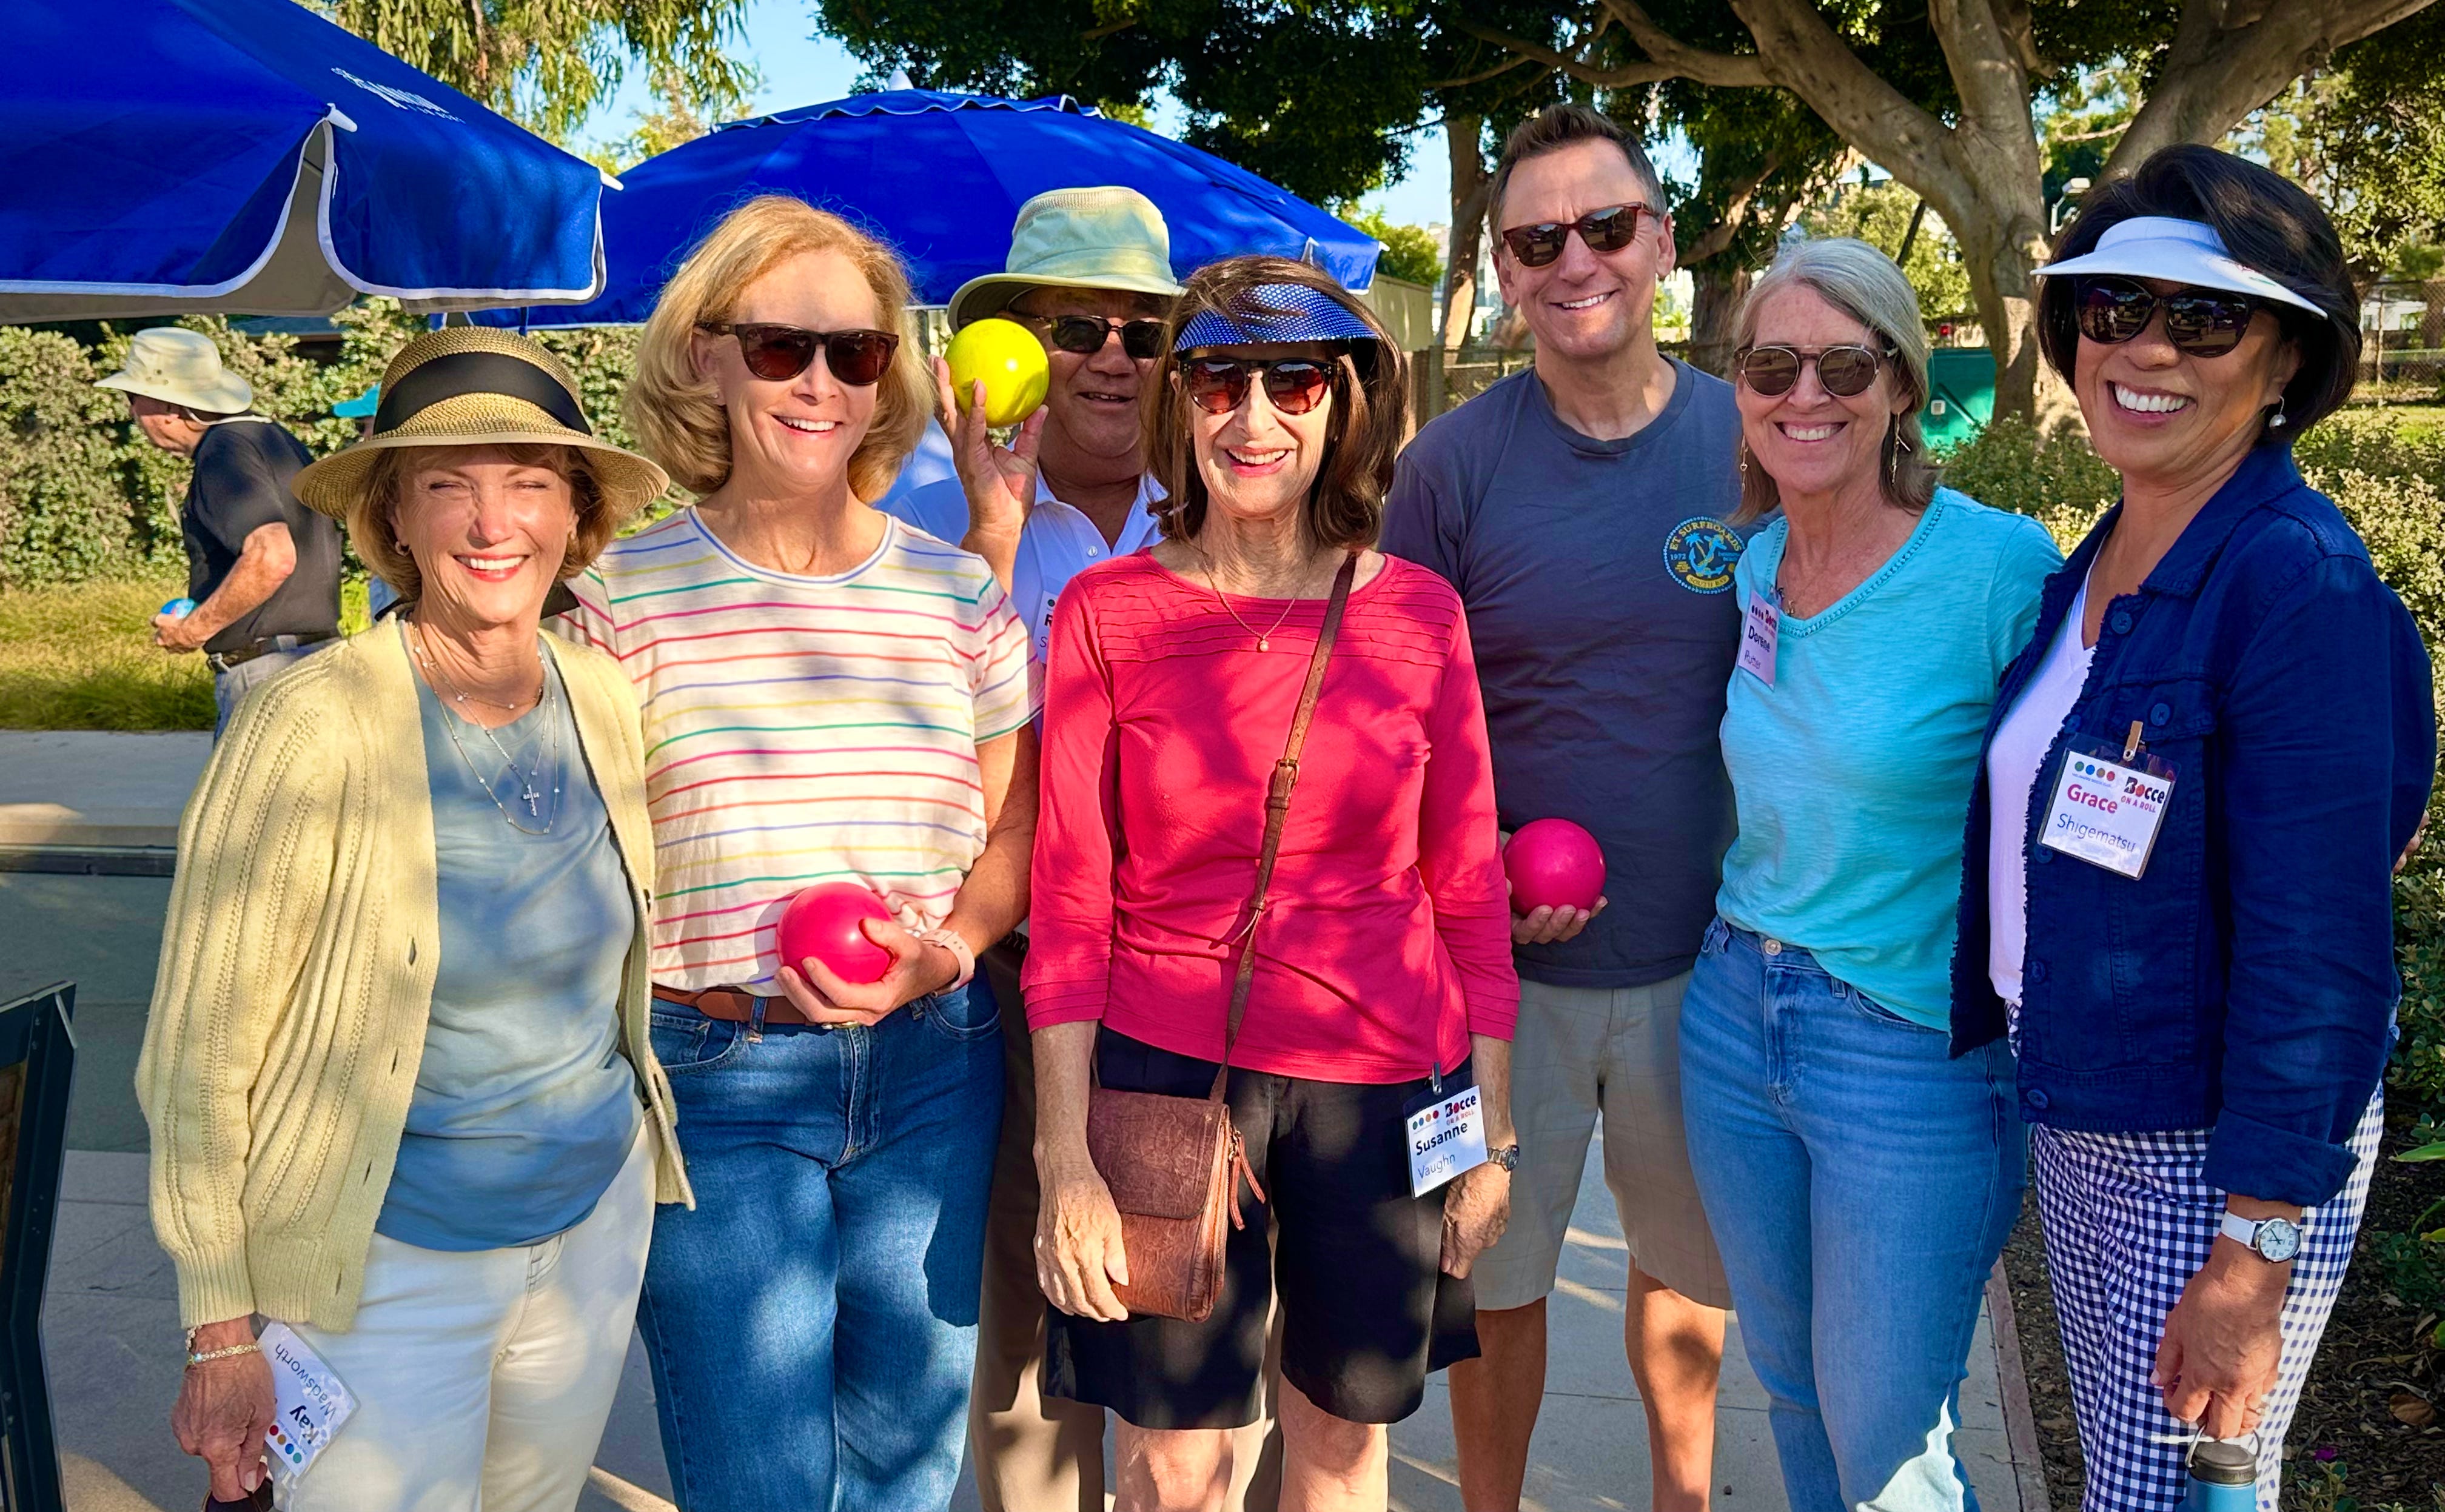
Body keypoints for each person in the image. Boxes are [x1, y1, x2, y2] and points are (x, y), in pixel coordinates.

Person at [136, 326, 691, 1512]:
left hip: (588, 1235)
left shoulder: (599, 690)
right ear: (394, 514)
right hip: (380, 1265)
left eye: (530, 482)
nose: (494, 523)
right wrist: (219, 1327)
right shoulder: (307, 720)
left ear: (577, 513)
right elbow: (199, 1047)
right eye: (449, 484)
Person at [1954, 145, 2435, 1511]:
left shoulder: (2296, 586)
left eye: (2206, 317)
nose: (2146, 346)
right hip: (2091, 1107)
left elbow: (2320, 953)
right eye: (2112, 307)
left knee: (2174, 1494)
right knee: (2135, 1483)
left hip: (2209, 1154)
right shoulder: (2100, 561)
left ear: (2288, 359)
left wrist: (2250, 1251)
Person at [565, 195, 1038, 1512]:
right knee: (758, 1483)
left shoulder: (958, 591)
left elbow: (1014, 827)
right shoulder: (616, 599)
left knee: (904, 1470)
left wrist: (951, 947)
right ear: (706, 356)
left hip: (934, 1070)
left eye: (857, 352)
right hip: (717, 1079)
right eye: (782, 347)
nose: (820, 382)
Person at [1025, 256, 1520, 1512]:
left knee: (1342, 1441)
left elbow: (1467, 883)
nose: (1253, 418)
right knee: (1173, 1459)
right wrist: (1063, 1157)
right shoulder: (1105, 611)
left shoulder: (1421, 614)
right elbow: (1072, 903)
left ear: (1342, 402)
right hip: (1165, 1072)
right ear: (1180, 405)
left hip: (1386, 1078)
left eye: (1293, 380)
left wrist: (1493, 1136)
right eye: (1217, 383)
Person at [1379, 102, 1739, 1512]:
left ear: (1661, 242)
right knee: (1497, 1275)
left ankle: (1683, 1502)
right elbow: (1393, 721)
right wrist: (1472, 865)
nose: (1576, 259)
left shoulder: (1755, 441)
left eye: (1605, 225)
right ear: (1506, 271)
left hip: (1707, 966)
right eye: (1539, 240)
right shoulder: (1451, 468)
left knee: (1687, 1272)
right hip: (1497, 984)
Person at [1675, 238, 2061, 1511]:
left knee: (1890, 1443)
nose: (1806, 394)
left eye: (1844, 365)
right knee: (1791, 1389)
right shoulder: (1755, 566)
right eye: (1771, 365)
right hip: (1734, 1010)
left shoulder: (1999, 569)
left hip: (1909, 1044)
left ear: (1900, 383)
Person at [879, 186, 1212, 1512]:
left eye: (1145, 331)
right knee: (1027, 1299)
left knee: (1208, 1298)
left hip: (1202, 965)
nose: (1114, 358)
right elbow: (907, 727)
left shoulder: (1226, 495)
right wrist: (997, 523)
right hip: (1019, 961)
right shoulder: (921, 509)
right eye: (1078, 329)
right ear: (1013, 344)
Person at [98, 327, 343, 735]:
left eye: (131, 397)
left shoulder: (223, 452)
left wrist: (192, 630)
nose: (131, 413)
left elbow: (273, 555)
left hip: (267, 673)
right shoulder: (271, 438)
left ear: (168, 407)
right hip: (316, 661)